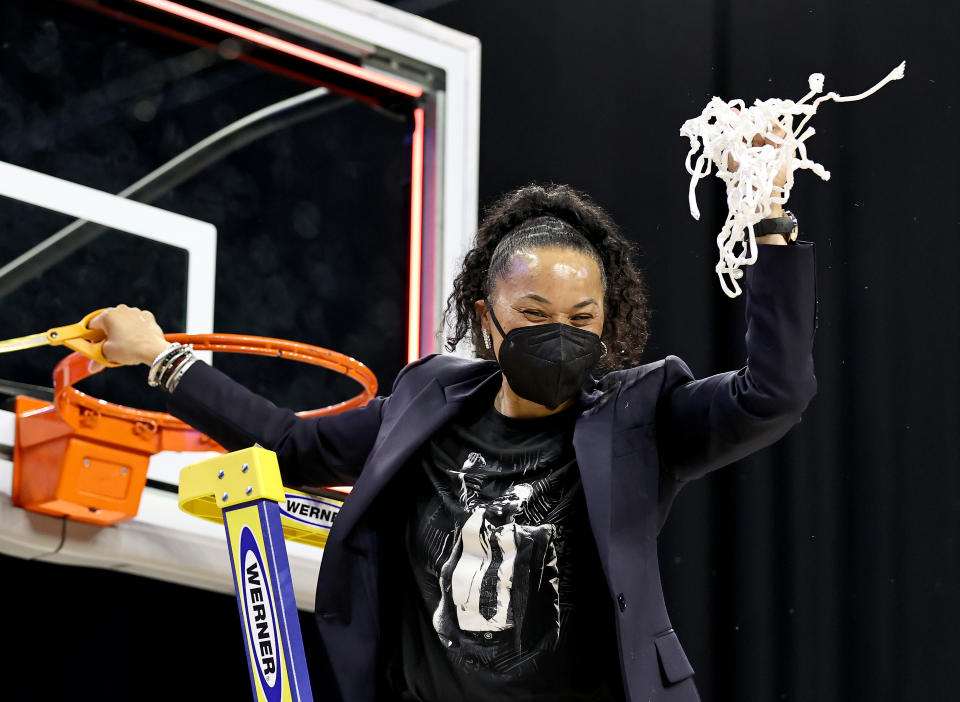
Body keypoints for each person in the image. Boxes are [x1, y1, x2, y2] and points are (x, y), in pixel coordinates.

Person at [91, 173, 816, 701]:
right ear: (485, 314)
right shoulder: (426, 399)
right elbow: (290, 446)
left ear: (608, 322)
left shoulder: (641, 415)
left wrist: (770, 224)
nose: (559, 334)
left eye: (582, 317)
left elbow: (774, 393)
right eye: (534, 312)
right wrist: (162, 356)